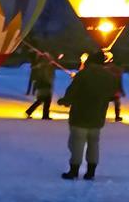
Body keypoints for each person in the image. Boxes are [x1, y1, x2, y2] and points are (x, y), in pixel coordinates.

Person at [57, 50, 118, 180]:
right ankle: (90, 172)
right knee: (94, 144)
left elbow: (72, 92)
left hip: (80, 115)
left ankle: (74, 171)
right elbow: (112, 95)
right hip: (98, 117)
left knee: (77, 144)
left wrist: (65, 101)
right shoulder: (109, 77)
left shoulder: (83, 75)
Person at [25, 53, 55, 120]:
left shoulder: (43, 65)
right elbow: (46, 76)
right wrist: (48, 82)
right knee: (45, 100)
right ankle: (44, 115)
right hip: (45, 84)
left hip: (43, 84)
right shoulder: (45, 66)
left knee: (42, 100)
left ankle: (31, 112)